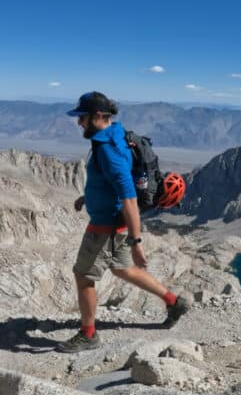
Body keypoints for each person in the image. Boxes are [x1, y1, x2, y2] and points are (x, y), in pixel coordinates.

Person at [57, 91, 190, 353]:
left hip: (105, 226)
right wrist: (88, 198)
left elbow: (128, 197)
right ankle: (173, 301)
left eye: (82, 117)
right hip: (110, 220)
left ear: (97, 117)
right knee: (123, 270)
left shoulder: (109, 150)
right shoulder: (114, 135)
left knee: (83, 276)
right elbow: (110, 184)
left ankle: (88, 335)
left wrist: (136, 241)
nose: (78, 123)